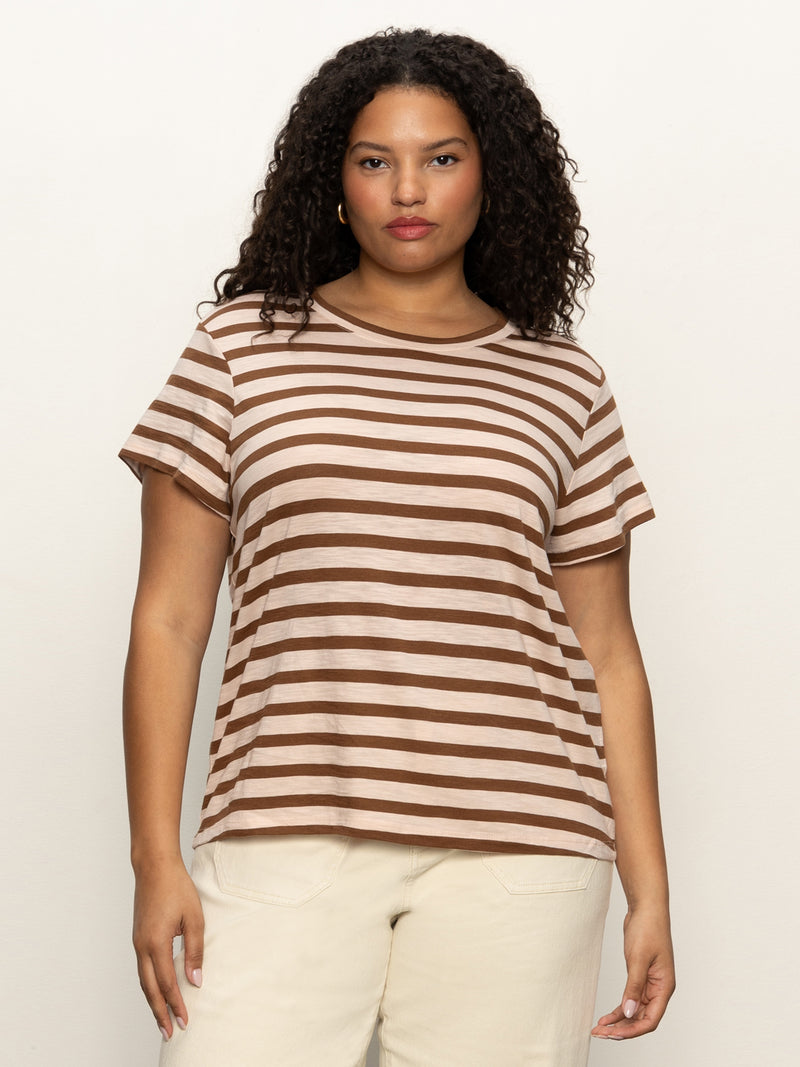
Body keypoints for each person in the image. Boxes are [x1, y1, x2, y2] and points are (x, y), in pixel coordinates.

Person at [120, 27, 675, 1067]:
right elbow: (170, 617)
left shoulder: (564, 383)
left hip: (526, 845)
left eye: (441, 157)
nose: (407, 189)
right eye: (374, 160)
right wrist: (155, 857)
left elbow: (608, 654)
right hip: (284, 823)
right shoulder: (239, 351)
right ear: (333, 183)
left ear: (490, 178)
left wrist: (650, 890)